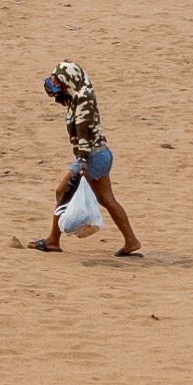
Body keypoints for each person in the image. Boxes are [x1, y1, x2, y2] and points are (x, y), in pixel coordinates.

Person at [36, 61, 140, 256]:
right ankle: (131, 241)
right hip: (101, 155)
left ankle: (53, 240)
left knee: (62, 193)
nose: (57, 87)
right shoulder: (80, 96)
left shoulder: (83, 101)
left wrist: (82, 163)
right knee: (107, 199)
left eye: (59, 82)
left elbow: (84, 134)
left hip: (91, 158)